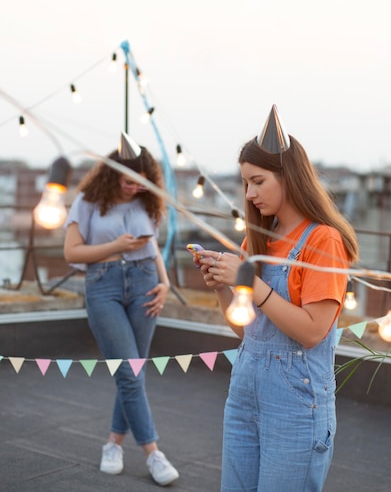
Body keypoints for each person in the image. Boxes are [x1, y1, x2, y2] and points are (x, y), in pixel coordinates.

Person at [195, 105, 359, 492]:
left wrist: (252, 285)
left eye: (258, 181)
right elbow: (247, 330)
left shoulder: (324, 240)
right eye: (245, 184)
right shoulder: (258, 240)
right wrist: (222, 286)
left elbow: (313, 331)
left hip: (296, 404)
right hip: (244, 393)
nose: (249, 194)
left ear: (289, 178)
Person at [64, 132, 179, 487]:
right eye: (129, 181)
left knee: (132, 372)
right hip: (104, 285)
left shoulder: (147, 202)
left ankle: (113, 444)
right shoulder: (87, 201)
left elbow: (154, 246)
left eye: (141, 183)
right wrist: (115, 245)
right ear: (113, 173)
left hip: (146, 282)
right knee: (130, 373)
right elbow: (71, 253)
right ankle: (153, 454)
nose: (134, 189)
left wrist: (166, 283)